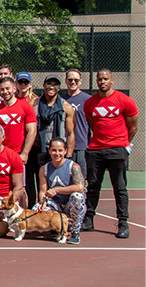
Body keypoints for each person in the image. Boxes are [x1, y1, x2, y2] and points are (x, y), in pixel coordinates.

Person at [82, 69, 138, 238]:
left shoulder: (125, 101)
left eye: (105, 79)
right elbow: (92, 125)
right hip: (96, 150)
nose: (102, 82)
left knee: (119, 187)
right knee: (93, 186)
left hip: (117, 150)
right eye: (99, 79)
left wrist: (123, 144)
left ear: (112, 80)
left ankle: (122, 223)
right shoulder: (90, 103)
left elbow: (133, 127)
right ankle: (88, 219)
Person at [27, 74, 75, 208]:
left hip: (57, 151)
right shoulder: (34, 104)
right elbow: (28, 128)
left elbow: (70, 133)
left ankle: (55, 208)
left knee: (54, 182)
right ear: (44, 85)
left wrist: (69, 153)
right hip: (39, 149)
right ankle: (35, 208)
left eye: (55, 84)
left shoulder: (66, 107)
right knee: (37, 182)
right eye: (49, 84)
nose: (51, 87)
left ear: (59, 88)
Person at [37, 137, 86, 244]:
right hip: (56, 204)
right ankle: (56, 227)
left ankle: (75, 231)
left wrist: (57, 190)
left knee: (78, 197)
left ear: (65, 151)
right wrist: (42, 202)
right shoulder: (44, 169)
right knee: (37, 208)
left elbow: (80, 187)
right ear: (49, 151)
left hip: (69, 204)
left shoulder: (73, 166)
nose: (57, 153)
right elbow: (42, 190)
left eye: (60, 150)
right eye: (54, 150)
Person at [0, 76, 37, 163]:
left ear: (14, 89)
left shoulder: (26, 108)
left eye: (8, 88)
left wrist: (25, 153)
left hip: (17, 154)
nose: (5, 92)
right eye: (2, 89)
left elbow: (32, 131)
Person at [62, 68, 92, 177]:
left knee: (80, 180)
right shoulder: (60, 100)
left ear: (81, 81)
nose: (73, 82)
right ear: (65, 81)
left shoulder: (88, 100)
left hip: (81, 147)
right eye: (70, 80)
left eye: (76, 80)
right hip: (63, 148)